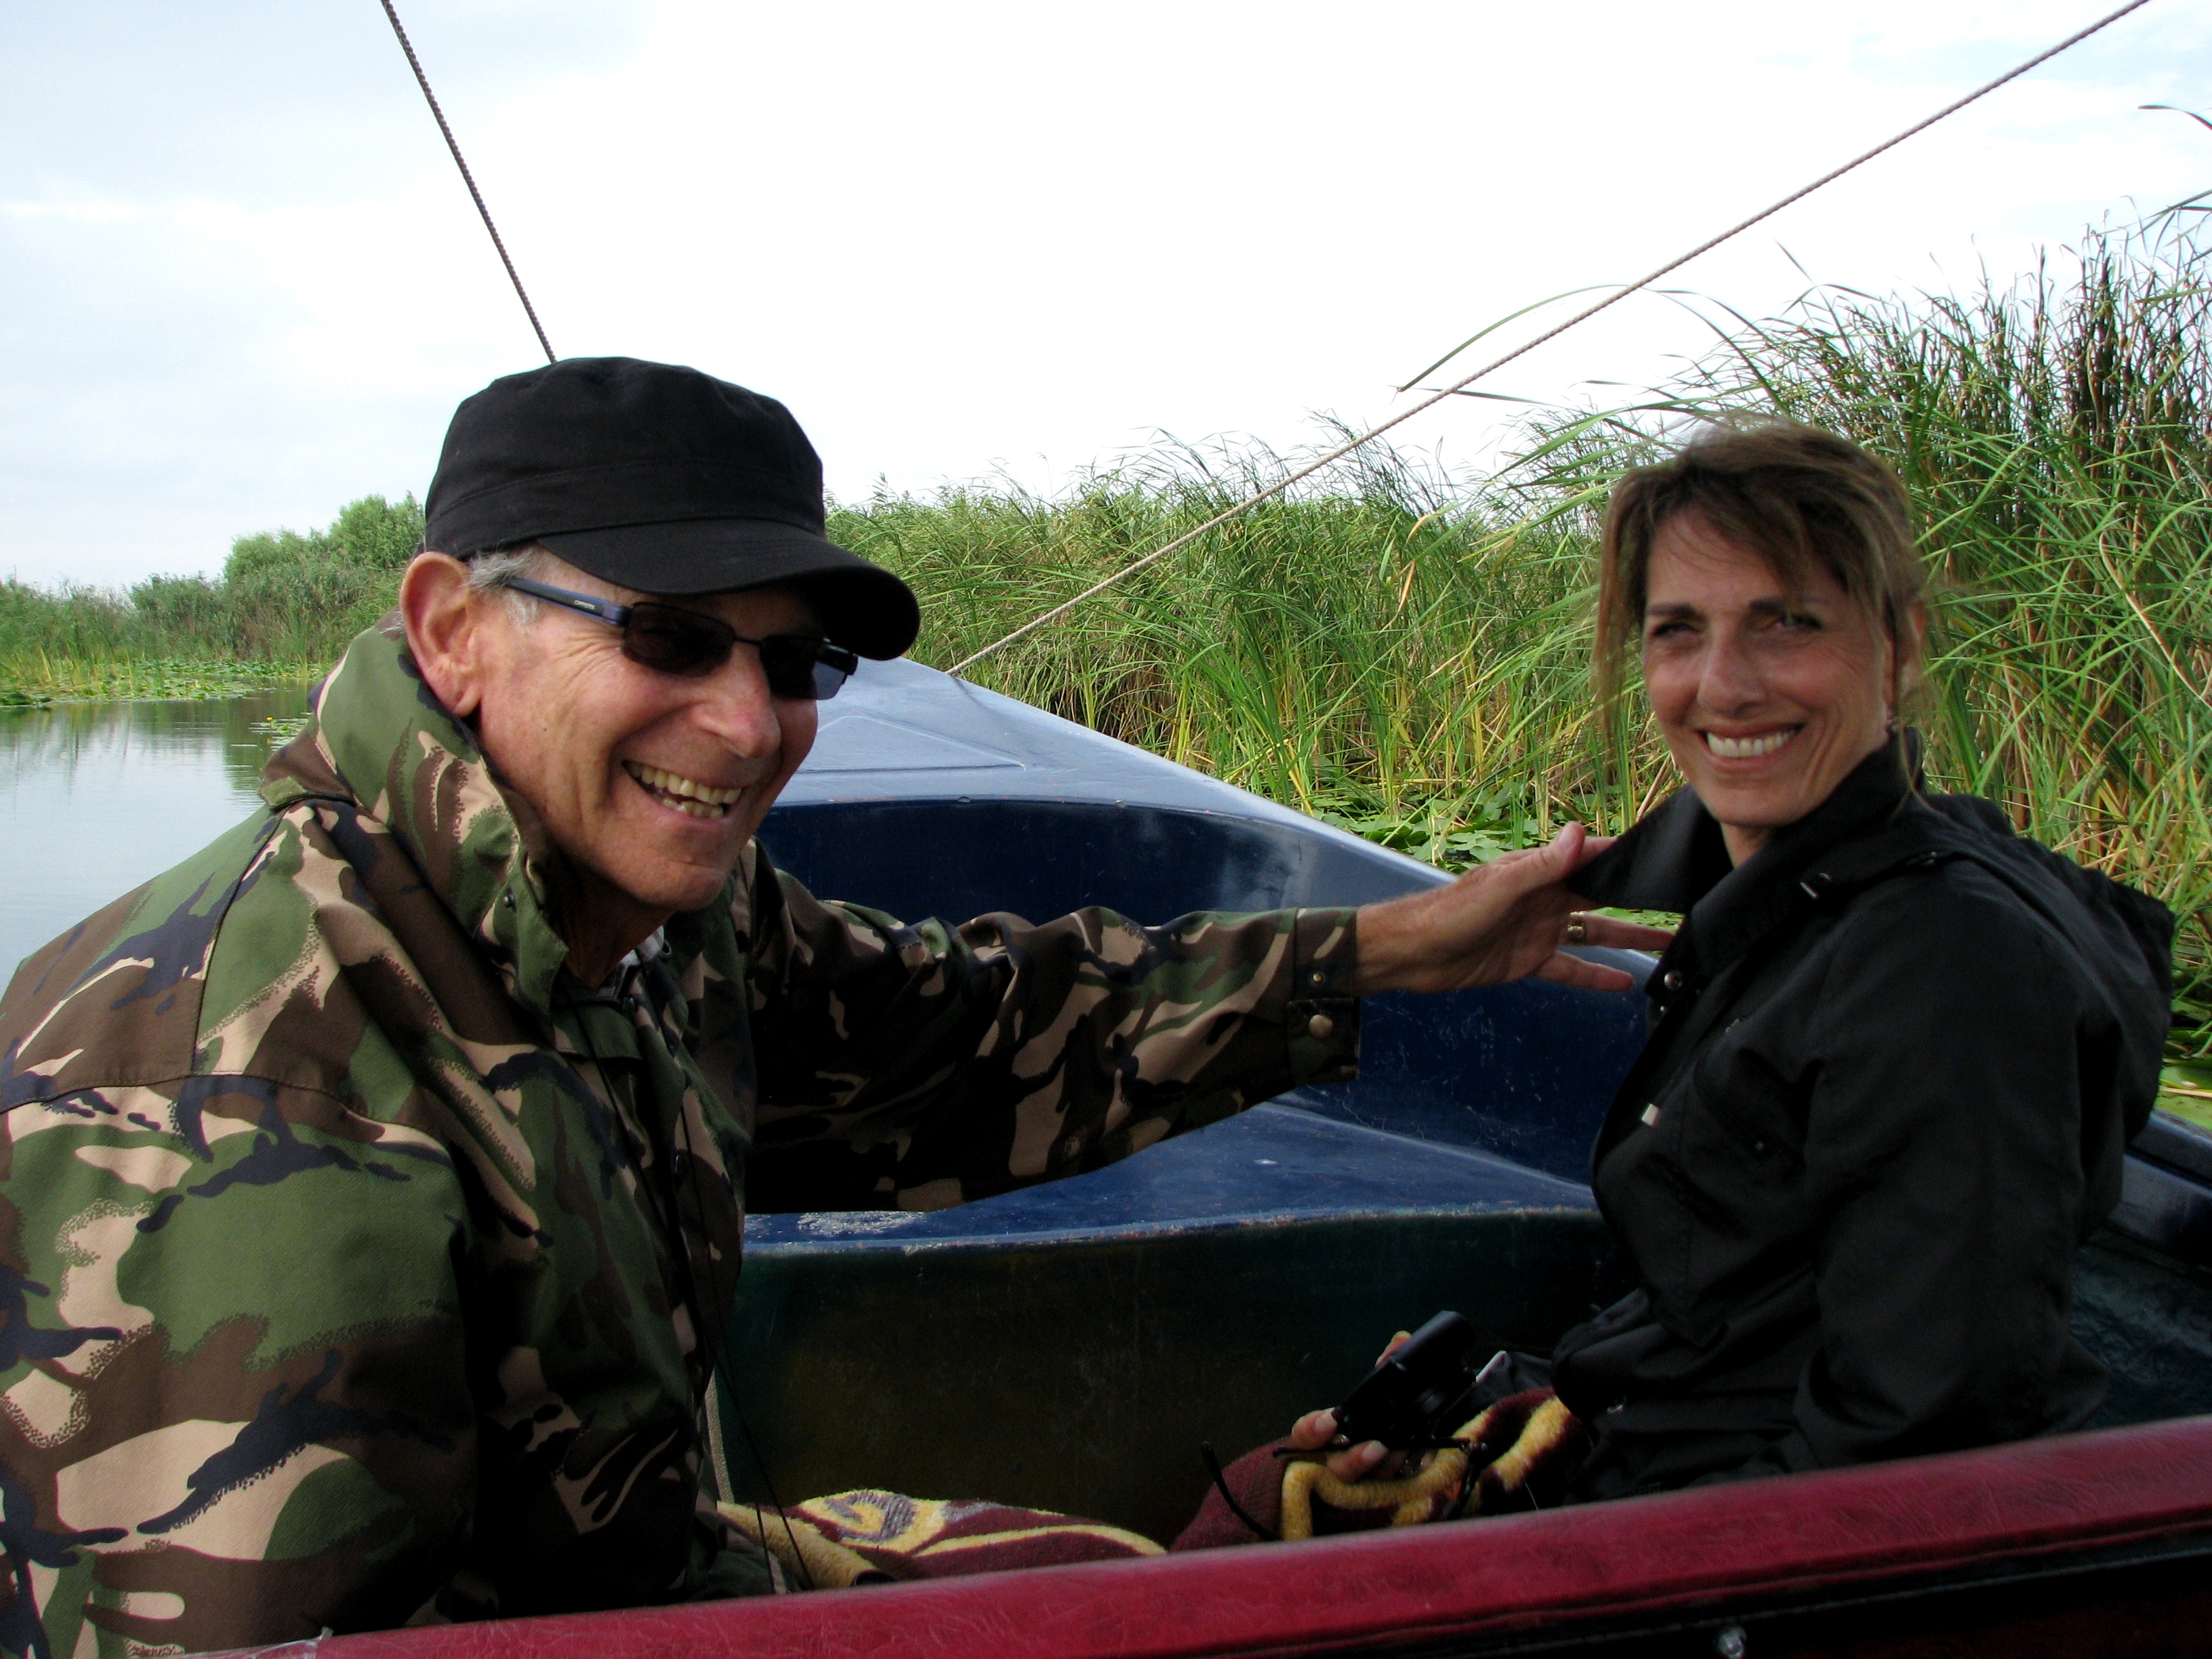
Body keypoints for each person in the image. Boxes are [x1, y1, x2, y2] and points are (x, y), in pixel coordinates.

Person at [0, 357, 1666, 1654]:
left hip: (650, 1579)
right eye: (671, 638)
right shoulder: (237, 1087)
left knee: (1109, 1583)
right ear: (454, 633)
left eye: (793, 663)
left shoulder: (653, 917)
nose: (749, 725)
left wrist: (1395, 950)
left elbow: (967, 1040)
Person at [1269, 420, 2174, 1512]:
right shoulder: (1784, 904)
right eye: (1678, 631)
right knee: (1280, 1486)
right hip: (1659, 1448)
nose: (1723, 686)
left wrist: (1549, 1529)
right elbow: (1741, 1322)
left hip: (1733, 1538)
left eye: (1788, 623)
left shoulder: (1941, 971)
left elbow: (1910, 1457)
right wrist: (1503, 1406)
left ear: (1901, 646)